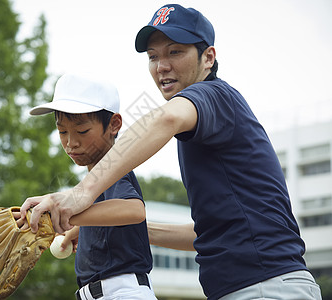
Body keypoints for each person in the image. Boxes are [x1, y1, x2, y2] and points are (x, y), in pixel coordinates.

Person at [21, 4, 322, 300]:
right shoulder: (205, 128)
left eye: (175, 52)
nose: (161, 65)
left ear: (208, 57)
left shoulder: (213, 95)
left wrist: (80, 194)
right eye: (153, 56)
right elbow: (207, 235)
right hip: (257, 286)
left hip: (266, 287)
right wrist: (117, 228)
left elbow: (165, 117)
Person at [23, 73, 156, 300]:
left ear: (114, 124)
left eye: (82, 131)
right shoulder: (93, 181)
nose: (70, 142)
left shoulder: (112, 168)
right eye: (62, 131)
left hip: (122, 292)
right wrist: (80, 230)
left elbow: (134, 210)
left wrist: (68, 215)